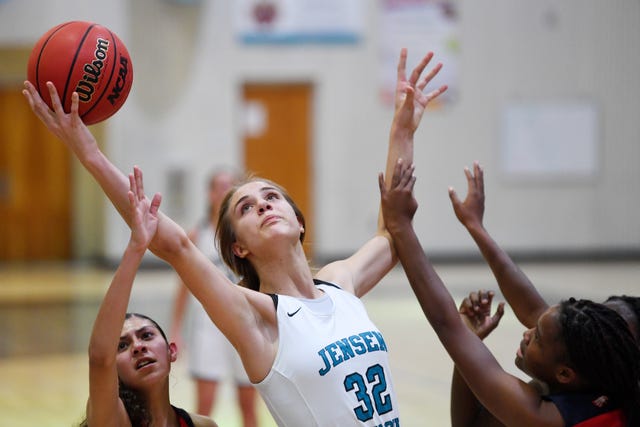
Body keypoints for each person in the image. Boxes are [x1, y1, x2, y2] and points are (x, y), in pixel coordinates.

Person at [23, 48, 448, 426]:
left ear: (299, 223)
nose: (263, 204)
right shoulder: (254, 318)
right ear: (237, 247)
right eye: (246, 207)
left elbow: (393, 231)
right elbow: (174, 246)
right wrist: (89, 153)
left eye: (271, 197)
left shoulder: (341, 284)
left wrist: (402, 134)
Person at [378, 159, 640, 427]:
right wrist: (476, 227)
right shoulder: (594, 381)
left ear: (565, 373)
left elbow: (447, 325)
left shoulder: (547, 418)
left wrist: (401, 225)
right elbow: (533, 310)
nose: (526, 331)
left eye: (536, 336)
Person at [80, 171, 217, 427]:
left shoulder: (203, 425)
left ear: (171, 351)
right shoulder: (113, 420)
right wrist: (136, 247)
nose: (138, 347)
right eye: (122, 346)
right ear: (114, 371)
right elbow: (99, 357)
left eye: (146, 336)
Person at [170, 168, 259, 426]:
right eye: (220, 186)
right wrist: (176, 329)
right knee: (204, 408)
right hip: (207, 329)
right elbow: (183, 288)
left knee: (248, 406)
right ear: (209, 193)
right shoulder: (197, 235)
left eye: (231, 186)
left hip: (243, 325)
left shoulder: (249, 234)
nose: (225, 190)